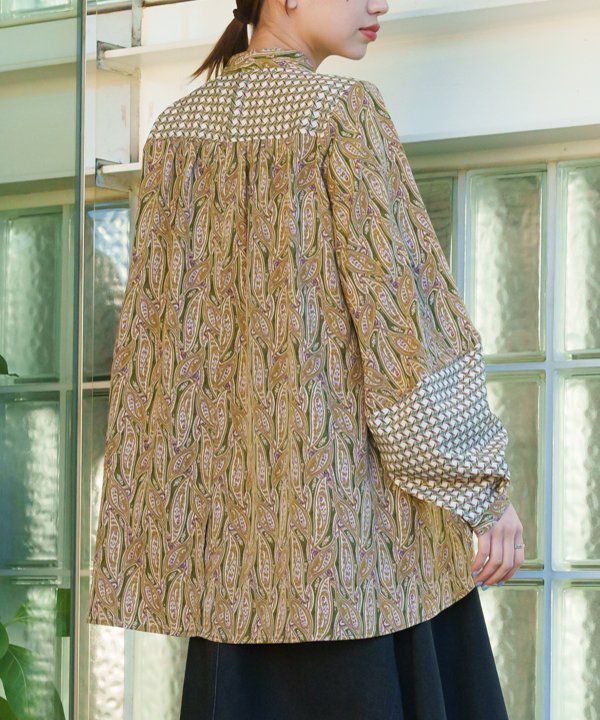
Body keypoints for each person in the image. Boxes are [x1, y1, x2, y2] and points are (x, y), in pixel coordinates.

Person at [86, 0, 525, 718]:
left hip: (231, 575)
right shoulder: (341, 112)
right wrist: (481, 488)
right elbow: (404, 321)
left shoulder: (175, 132)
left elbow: (158, 360)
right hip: (356, 566)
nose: (380, 4)